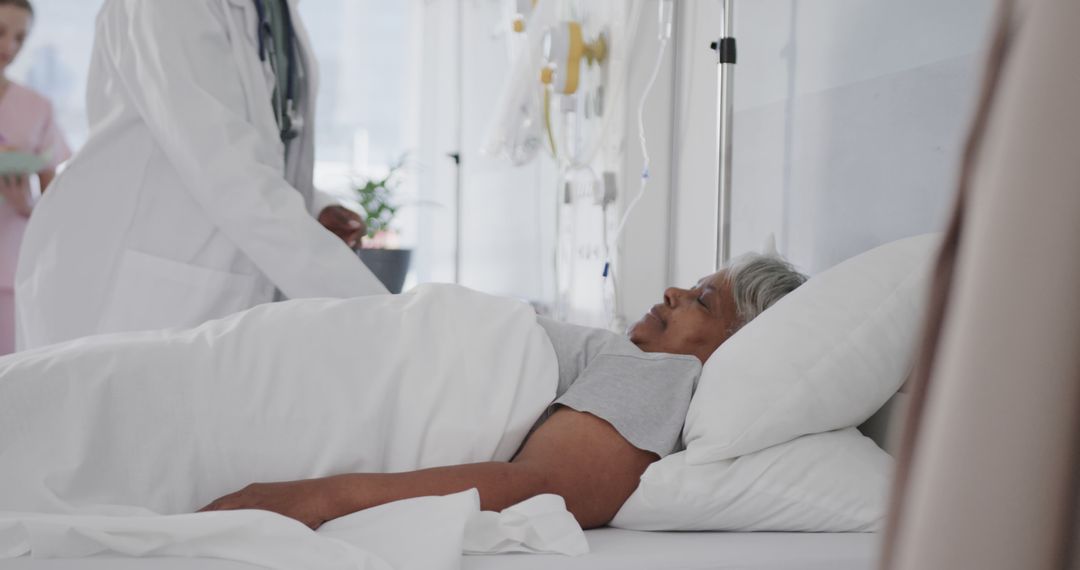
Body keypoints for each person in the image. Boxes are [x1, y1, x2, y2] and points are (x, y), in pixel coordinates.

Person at [195, 254, 807, 530]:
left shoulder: (661, 375)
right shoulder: (637, 361)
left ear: (737, 344)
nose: (673, 290)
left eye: (703, 301)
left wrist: (318, 497)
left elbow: (541, 487)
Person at [13, 0, 386, 351]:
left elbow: (263, 138)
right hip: (143, 287)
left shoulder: (276, 8)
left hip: (211, 279)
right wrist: (382, 313)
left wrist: (312, 204)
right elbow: (225, 166)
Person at [0, 0, 71, 356]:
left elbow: (59, 199)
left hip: (10, 269)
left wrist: (26, 205)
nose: (8, 47)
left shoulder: (37, 108)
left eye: (19, 38)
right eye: (0, 32)